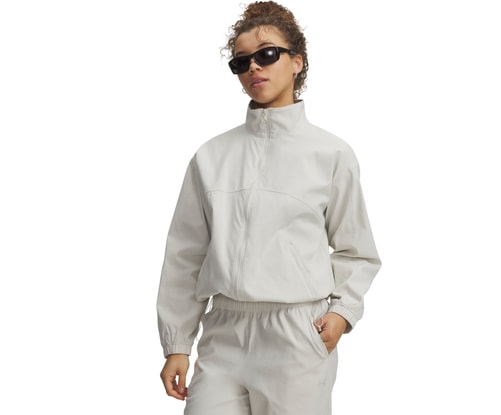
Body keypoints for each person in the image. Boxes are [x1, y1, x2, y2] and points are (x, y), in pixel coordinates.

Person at [157, 1, 381, 414]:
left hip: (297, 334)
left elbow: (357, 250)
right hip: (223, 332)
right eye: (241, 62)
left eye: (267, 54)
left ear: (297, 61)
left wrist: (342, 312)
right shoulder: (211, 157)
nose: (253, 68)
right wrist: (177, 343)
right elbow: (185, 255)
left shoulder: (330, 154)